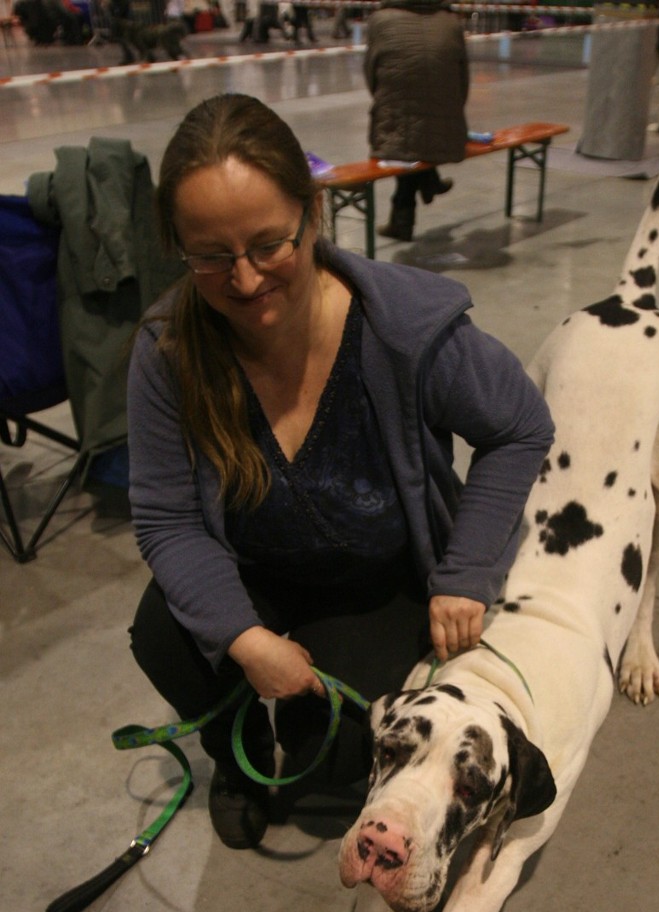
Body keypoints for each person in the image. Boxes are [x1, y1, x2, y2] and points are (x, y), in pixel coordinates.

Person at [126, 93, 555, 850]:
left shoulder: (406, 328)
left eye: (268, 245)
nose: (247, 281)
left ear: (313, 216)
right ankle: (239, 754)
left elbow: (519, 426)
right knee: (165, 633)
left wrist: (465, 572)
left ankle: (304, 726)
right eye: (211, 256)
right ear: (179, 247)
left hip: (373, 576)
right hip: (252, 569)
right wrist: (246, 640)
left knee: (334, 778)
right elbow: (166, 518)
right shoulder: (169, 352)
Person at [364, 0, 469, 242]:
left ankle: (405, 216)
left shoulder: (381, 20)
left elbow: (371, 73)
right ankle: (429, 181)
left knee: (404, 137)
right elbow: (463, 80)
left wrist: (387, 102)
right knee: (415, 135)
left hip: (397, 121)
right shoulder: (451, 22)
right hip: (446, 122)